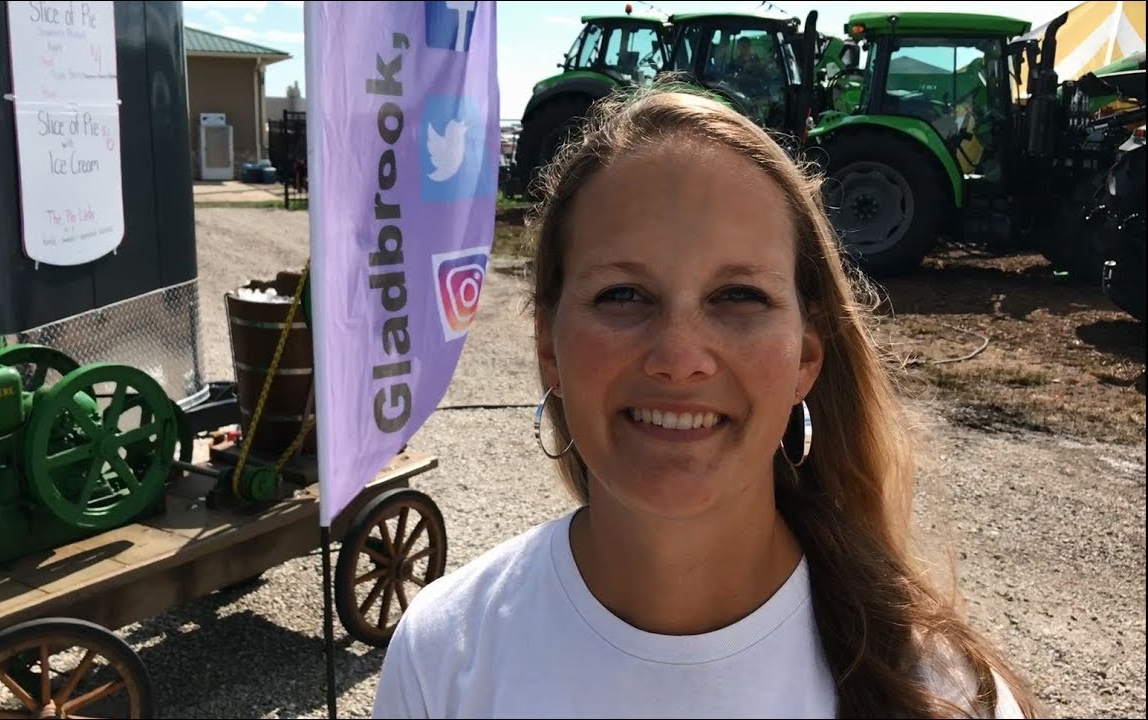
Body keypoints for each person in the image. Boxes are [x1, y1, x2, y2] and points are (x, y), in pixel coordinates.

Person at [371, 84, 1044, 719]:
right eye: (623, 295)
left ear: (806, 357)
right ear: (549, 346)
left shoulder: (941, 694)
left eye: (739, 296)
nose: (679, 357)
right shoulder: (443, 655)